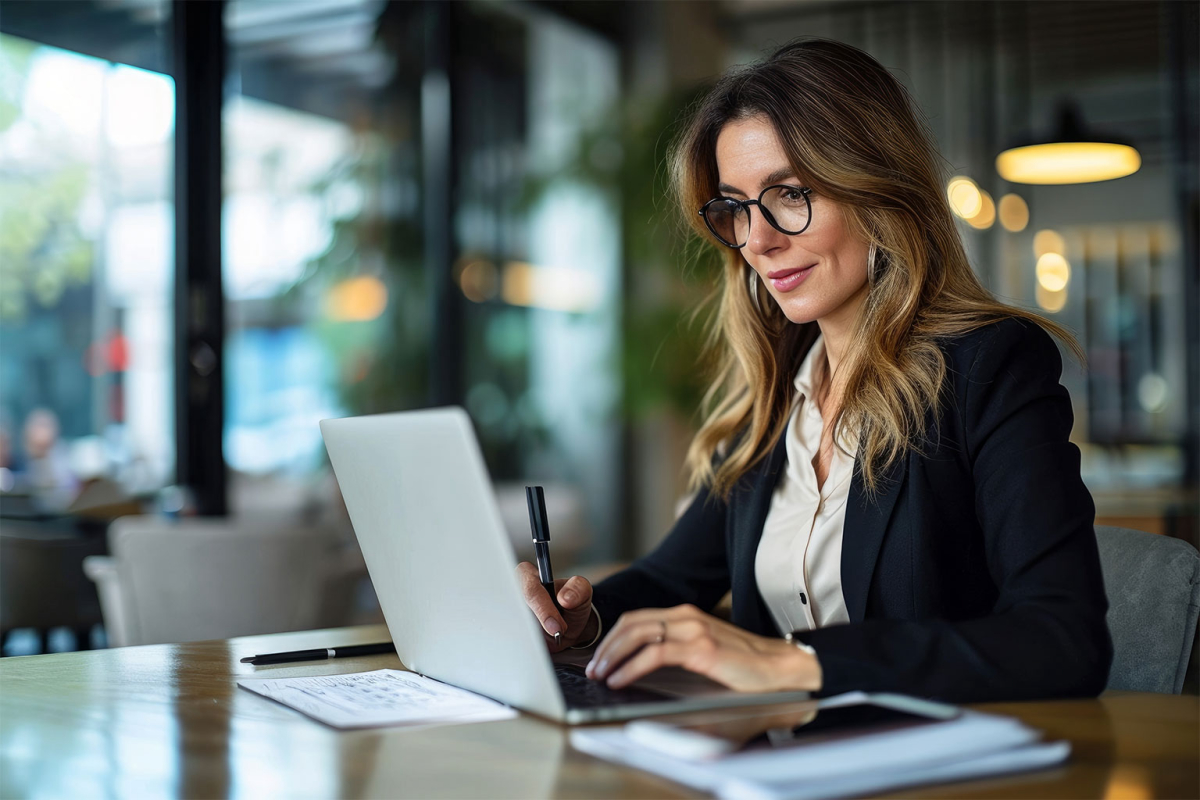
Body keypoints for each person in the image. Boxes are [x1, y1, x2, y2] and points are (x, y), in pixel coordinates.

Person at [516, 38, 1112, 703]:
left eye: (791, 194)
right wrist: (578, 618)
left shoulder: (990, 367)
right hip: (775, 763)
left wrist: (794, 664)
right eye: (736, 207)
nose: (758, 240)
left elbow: (1063, 641)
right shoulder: (773, 403)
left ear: (878, 190)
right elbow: (667, 579)